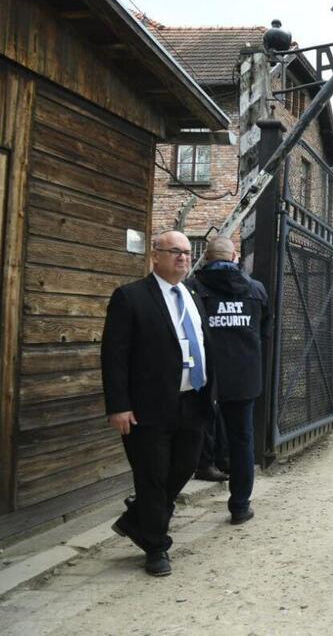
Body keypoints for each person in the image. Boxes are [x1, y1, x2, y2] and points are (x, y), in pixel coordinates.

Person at [101, 230, 215, 577]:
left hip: (192, 400)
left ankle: (136, 520)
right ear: (155, 256)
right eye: (174, 251)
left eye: (187, 252)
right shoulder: (130, 297)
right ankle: (156, 547)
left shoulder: (192, 294)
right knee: (151, 476)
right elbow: (114, 356)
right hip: (147, 406)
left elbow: (203, 344)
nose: (183, 257)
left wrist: (212, 392)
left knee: (185, 466)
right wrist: (118, 406)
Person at [187, 236, 271, 525]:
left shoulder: (193, 289)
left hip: (203, 376)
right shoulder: (256, 289)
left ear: (206, 258)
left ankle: (169, 499)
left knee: (190, 434)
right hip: (244, 375)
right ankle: (239, 506)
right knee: (242, 440)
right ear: (235, 257)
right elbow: (266, 330)